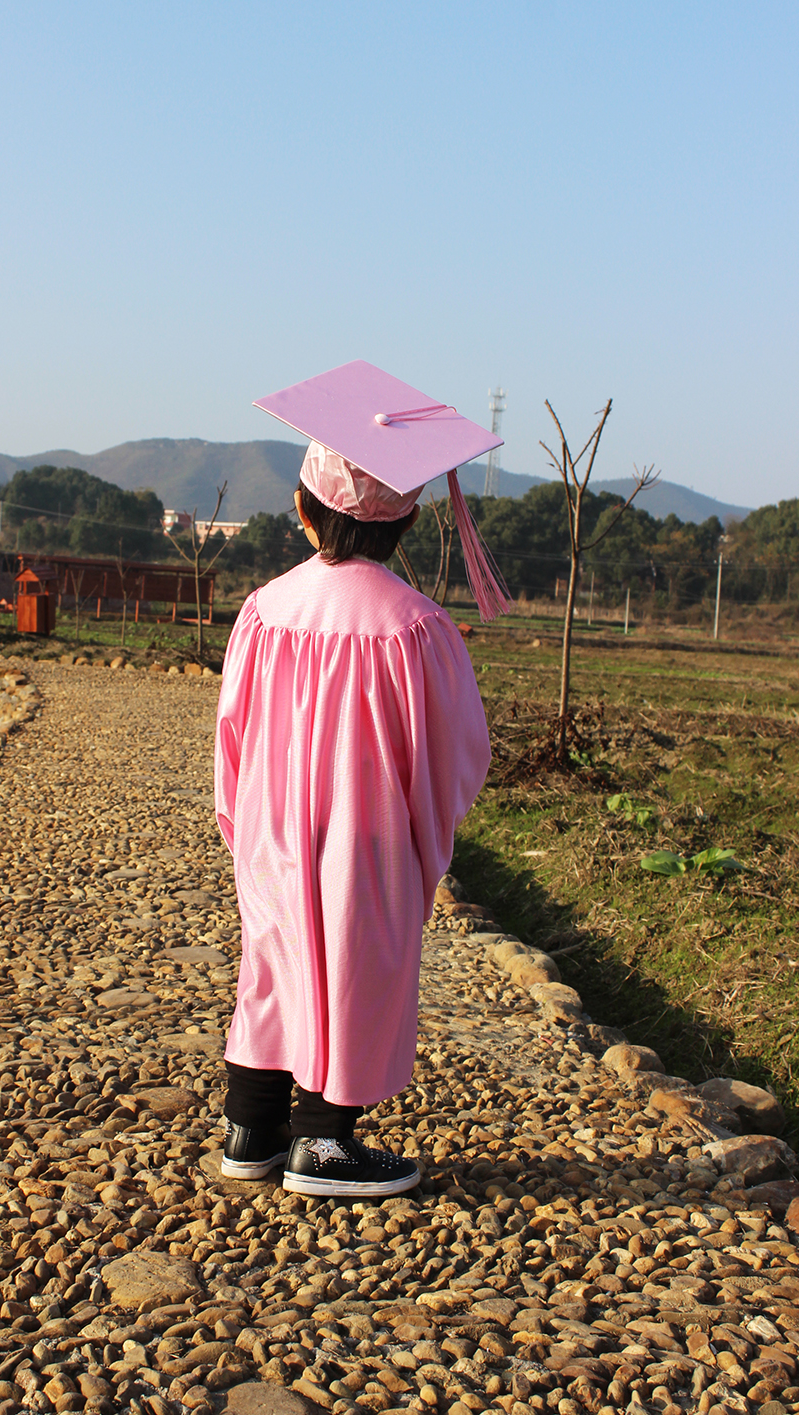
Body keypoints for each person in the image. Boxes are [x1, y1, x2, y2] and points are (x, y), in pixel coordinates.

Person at [213, 360, 511, 1197]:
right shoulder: (416, 626)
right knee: (352, 963)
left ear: (303, 511)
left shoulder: (266, 608)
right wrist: (424, 831)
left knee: (271, 958)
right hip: (367, 834)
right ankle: (324, 1144)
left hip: (271, 823)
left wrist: (242, 817)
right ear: (406, 521)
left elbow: (231, 728)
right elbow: (460, 749)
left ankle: (251, 1127)